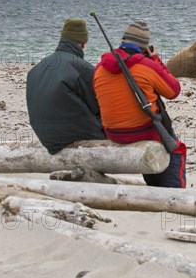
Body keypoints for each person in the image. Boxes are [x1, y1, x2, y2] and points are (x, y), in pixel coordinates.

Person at [93, 21, 187, 188]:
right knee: (176, 149)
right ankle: (173, 192)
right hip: (143, 132)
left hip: (112, 133)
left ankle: (153, 185)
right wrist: (156, 59)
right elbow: (174, 91)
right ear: (145, 46)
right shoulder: (146, 66)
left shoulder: (100, 68)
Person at [26, 19, 106, 154]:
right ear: (83, 43)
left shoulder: (36, 69)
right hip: (72, 135)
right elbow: (99, 106)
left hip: (45, 137)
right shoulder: (82, 68)